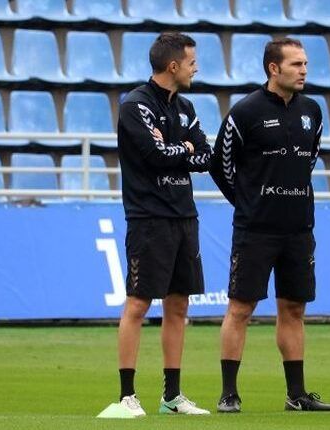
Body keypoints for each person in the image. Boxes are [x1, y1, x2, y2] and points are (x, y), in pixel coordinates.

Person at [209, 38, 330, 414]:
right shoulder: (244, 112)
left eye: (305, 64)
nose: (304, 70)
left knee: (294, 309)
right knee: (241, 308)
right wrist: (248, 202)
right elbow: (221, 166)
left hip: (299, 228)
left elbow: (309, 158)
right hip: (255, 230)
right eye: (296, 64)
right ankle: (229, 393)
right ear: (273, 68)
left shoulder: (312, 111)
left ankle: (296, 395)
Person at [116, 32, 212, 417]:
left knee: (178, 305)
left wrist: (184, 149)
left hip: (184, 217)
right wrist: (182, 148)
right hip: (148, 218)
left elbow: (204, 156)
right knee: (138, 304)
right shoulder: (135, 106)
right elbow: (156, 156)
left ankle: (172, 397)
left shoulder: (186, 106)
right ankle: (126, 396)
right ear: (173, 66)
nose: (196, 67)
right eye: (191, 62)